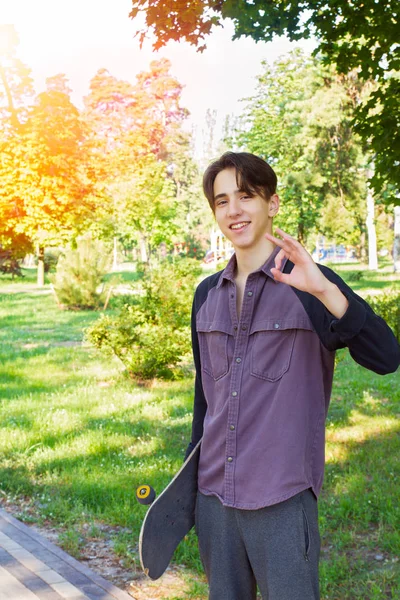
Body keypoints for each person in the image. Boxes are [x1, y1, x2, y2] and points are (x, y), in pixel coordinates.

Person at [186, 152, 400, 600]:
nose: (234, 211)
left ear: (273, 204)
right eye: (222, 201)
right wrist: (186, 492)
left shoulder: (310, 286)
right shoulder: (206, 295)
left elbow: (386, 356)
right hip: (213, 501)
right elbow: (204, 403)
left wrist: (324, 287)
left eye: (246, 196)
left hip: (280, 500)